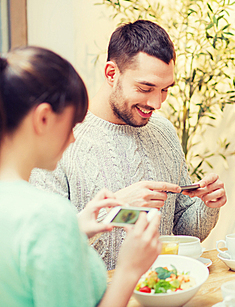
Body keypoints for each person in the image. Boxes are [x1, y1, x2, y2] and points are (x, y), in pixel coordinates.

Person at [30, 20, 227, 270]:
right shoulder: (59, 140)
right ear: (112, 74)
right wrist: (115, 207)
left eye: (165, 89)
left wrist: (207, 204)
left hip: (160, 290)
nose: (156, 103)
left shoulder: (163, 131)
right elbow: (46, 247)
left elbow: (182, 230)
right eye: (146, 88)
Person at [0, 46, 161, 306]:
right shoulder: (48, 216)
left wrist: (74, 231)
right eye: (72, 124)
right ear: (43, 118)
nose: (74, 137)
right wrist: (129, 271)